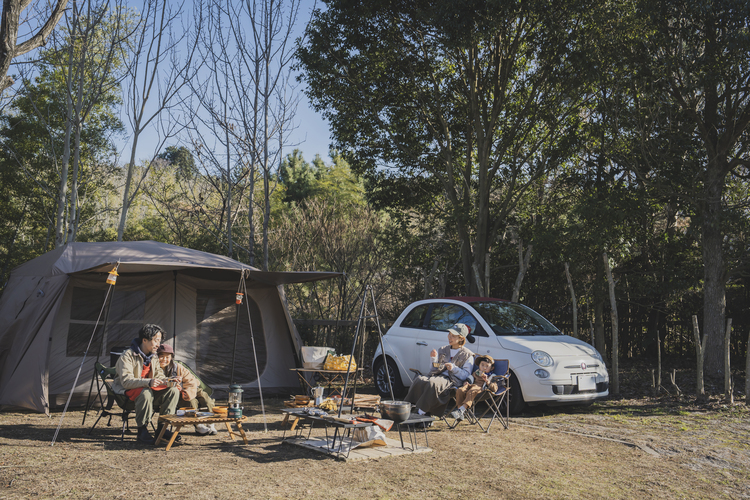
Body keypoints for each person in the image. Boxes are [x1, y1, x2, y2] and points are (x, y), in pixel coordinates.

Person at [112, 324, 181, 445]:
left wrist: (169, 380)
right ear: (144, 340)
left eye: (159, 341)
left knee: (173, 390)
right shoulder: (127, 355)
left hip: (148, 390)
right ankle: (142, 430)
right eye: (156, 340)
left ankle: (162, 428)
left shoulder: (153, 357)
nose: (158, 345)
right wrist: (148, 382)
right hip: (127, 392)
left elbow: (159, 375)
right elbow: (126, 381)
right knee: (146, 392)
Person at [403, 323, 475, 418]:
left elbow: (466, 375)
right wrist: (433, 359)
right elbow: (433, 368)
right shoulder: (442, 349)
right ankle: (406, 407)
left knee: (433, 383)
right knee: (420, 379)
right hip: (437, 375)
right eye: (449, 334)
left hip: (452, 380)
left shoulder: (468, 355)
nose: (449, 337)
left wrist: (454, 368)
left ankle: (421, 413)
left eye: (453, 336)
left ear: (461, 338)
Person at [156, 343, 217, 436]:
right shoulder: (155, 368)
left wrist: (188, 391)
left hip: (191, 388)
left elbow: (191, 380)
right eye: (161, 356)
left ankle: (210, 422)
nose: (164, 359)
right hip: (179, 393)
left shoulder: (177, 367)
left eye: (167, 357)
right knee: (192, 402)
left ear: (171, 357)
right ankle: (198, 425)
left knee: (206, 398)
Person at [450, 354, 499, 421]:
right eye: (482, 365)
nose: (484, 368)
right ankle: (460, 413)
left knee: (472, 391)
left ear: (492, 368)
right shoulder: (476, 373)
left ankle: (461, 410)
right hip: (471, 385)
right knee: (460, 390)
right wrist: (466, 381)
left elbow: (495, 389)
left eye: (487, 366)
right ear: (479, 365)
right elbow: (471, 378)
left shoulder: (492, 376)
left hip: (481, 388)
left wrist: (487, 381)